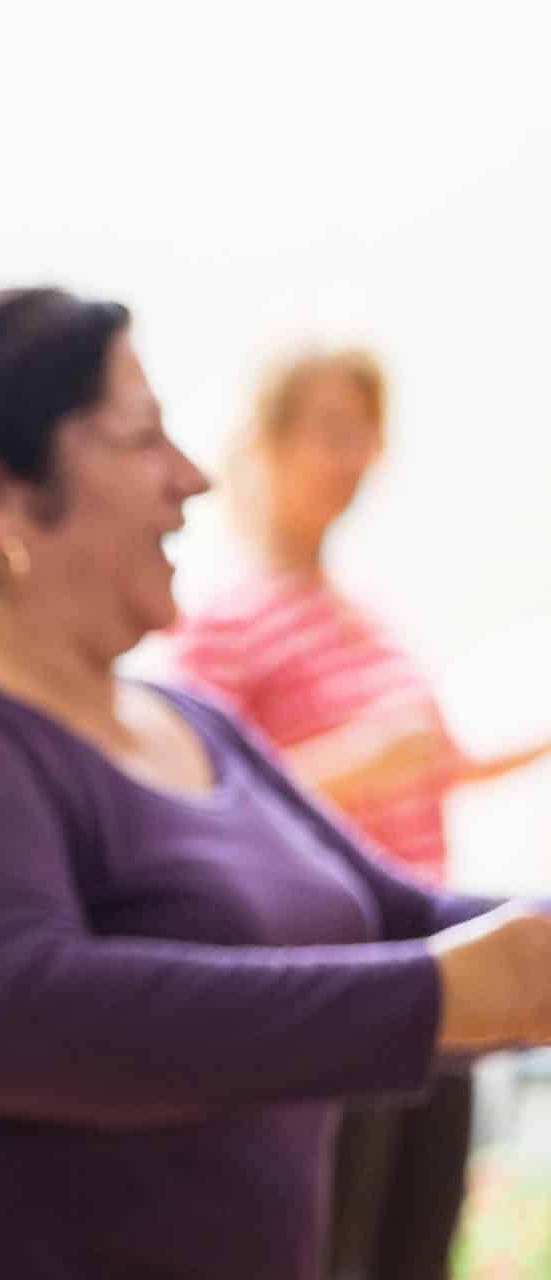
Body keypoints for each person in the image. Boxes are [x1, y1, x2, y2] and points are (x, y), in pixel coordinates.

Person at [0, 287, 551, 1279]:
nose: (192, 478)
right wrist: (434, 997)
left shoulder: (193, 721)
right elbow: (20, 1016)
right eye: (142, 438)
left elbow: (399, 916)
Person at [174, 344, 551, 1280]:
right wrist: (356, 763)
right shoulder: (223, 621)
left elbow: (440, 764)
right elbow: (188, 811)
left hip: (434, 965)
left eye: (364, 436)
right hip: (335, 983)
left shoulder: (363, 616)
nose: (352, 460)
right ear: (266, 442)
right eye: (330, 434)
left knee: (418, 1244)